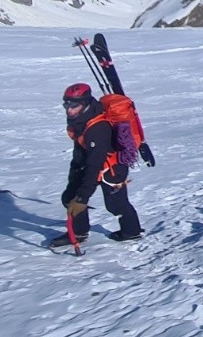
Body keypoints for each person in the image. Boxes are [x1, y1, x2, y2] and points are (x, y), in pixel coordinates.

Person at [49, 82, 143, 247]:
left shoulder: (97, 128)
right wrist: (74, 177)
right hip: (91, 163)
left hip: (112, 169)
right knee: (70, 197)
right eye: (67, 105)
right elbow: (80, 150)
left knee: (116, 205)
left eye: (74, 106)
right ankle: (79, 232)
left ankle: (131, 231)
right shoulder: (80, 120)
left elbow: (95, 164)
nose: (69, 110)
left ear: (85, 104)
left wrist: (83, 198)